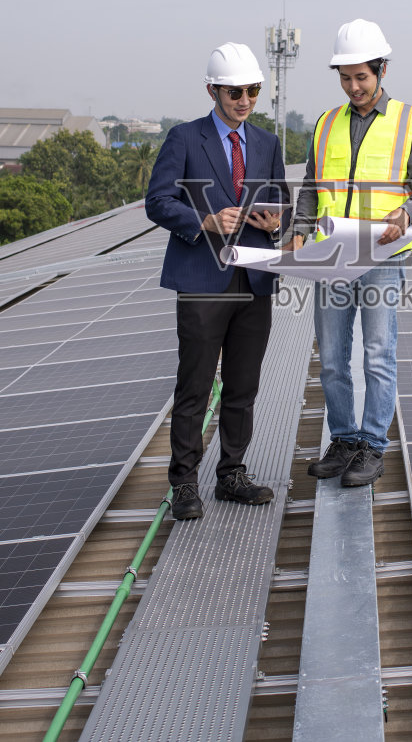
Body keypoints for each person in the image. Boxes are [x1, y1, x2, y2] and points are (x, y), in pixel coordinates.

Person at [287, 19, 412, 487]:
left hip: (381, 257)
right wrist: (299, 229)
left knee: (377, 354)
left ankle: (373, 446)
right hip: (332, 254)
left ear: (382, 71)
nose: (353, 87)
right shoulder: (326, 123)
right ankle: (344, 439)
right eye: (345, 78)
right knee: (331, 357)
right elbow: (313, 185)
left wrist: (408, 215)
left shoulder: (410, 120)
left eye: (361, 77)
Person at [146, 42, 289, 521]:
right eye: (234, 92)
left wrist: (276, 225)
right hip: (203, 279)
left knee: (243, 384)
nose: (244, 100)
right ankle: (184, 483)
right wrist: (205, 221)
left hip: (254, 280)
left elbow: (283, 205)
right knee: (195, 385)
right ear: (212, 90)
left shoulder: (267, 145)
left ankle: (231, 474)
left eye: (251, 91)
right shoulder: (185, 139)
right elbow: (158, 202)